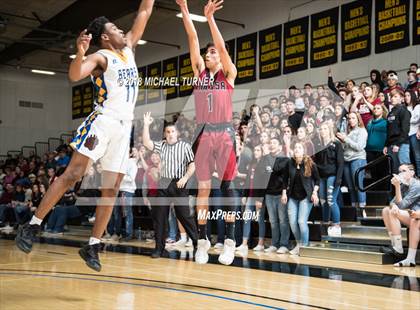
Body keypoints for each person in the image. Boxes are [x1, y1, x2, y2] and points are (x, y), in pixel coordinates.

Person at [15, 0, 155, 272]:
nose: (121, 30)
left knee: (111, 189)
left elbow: (145, 11)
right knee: (73, 174)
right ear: (105, 36)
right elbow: (75, 74)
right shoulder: (101, 57)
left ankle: (92, 244)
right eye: (115, 27)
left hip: (124, 127)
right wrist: (79, 52)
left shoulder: (128, 48)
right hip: (103, 122)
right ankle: (31, 226)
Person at [177, 0, 238, 265]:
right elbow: (191, 36)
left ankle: (230, 242)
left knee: (226, 189)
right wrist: (184, 9)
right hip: (204, 135)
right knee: (202, 189)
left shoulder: (229, 74)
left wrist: (210, 19)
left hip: (224, 134)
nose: (211, 54)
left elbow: (223, 47)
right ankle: (201, 240)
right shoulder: (200, 73)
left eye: (213, 53)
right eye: (209, 53)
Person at [143, 112, 198, 259]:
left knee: (184, 215)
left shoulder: (185, 146)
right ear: (165, 134)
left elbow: (192, 166)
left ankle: (197, 242)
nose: (170, 134)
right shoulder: (161, 145)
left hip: (179, 183)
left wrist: (185, 178)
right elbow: (147, 143)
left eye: (173, 131)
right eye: (167, 132)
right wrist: (146, 125)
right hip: (164, 183)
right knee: (159, 217)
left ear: (177, 133)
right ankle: (159, 249)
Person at [381, 164, 420, 267]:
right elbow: (392, 202)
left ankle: (398, 249)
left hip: (417, 215)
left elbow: (402, 205)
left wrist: (397, 187)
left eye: (403, 171)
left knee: (393, 212)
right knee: (385, 210)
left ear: (412, 173)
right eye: (399, 171)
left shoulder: (416, 185)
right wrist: (394, 205)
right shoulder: (404, 185)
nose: (400, 173)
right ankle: (395, 245)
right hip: (411, 215)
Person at [285, 142, 320, 255]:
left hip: (306, 196)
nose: (296, 149)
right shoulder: (290, 163)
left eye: (299, 147)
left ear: (304, 150)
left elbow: (318, 180)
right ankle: (299, 244)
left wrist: (315, 193)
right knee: (292, 222)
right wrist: (284, 193)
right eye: (295, 147)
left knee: (301, 221)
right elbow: (285, 179)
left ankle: (304, 247)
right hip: (293, 197)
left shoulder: (310, 163)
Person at [314, 123, 344, 237]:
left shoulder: (336, 144)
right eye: (321, 129)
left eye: (325, 128)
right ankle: (326, 223)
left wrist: (339, 178)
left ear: (329, 130)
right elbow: (316, 164)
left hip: (333, 176)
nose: (323, 130)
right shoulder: (318, 145)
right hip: (321, 177)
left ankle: (337, 225)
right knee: (323, 201)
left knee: (331, 200)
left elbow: (341, 162)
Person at [235, 145, 266, 256]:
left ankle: (261, 244)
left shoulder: (263, 165)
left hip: (259, 198)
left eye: (258, 150)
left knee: (259, 220)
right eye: (255, 150)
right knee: (247, 219)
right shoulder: (251, 165)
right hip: (250, 197)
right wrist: (244, 195)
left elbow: (263, 184)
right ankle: (244, 244)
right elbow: (248, 181)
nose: (256, 152)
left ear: (262, 152)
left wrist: (260, 199)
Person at [337, 112, 368, 218]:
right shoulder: (348, 132)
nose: (351, 120)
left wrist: (345, 139)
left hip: (358, 159)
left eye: (353, 118)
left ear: (358, 119)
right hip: (346, 160)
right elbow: (345, 147)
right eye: (349, 118)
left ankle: (363, 209)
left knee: (358, 185)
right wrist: (341, 141)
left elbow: (359, 147)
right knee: (350, 187)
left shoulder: (362, 131)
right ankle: (354, 208)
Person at [383, 89, 411, 173]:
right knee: (395, 171)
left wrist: (398, 144)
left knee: (404, 170)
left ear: (402, 98)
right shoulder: (390, 113)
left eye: (395, 96)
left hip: (401, 144)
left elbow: (405, 130)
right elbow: (389, 131)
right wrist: (386, 145)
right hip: (391, 145)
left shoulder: (404, 111)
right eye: (391, 96)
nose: (392, 98)